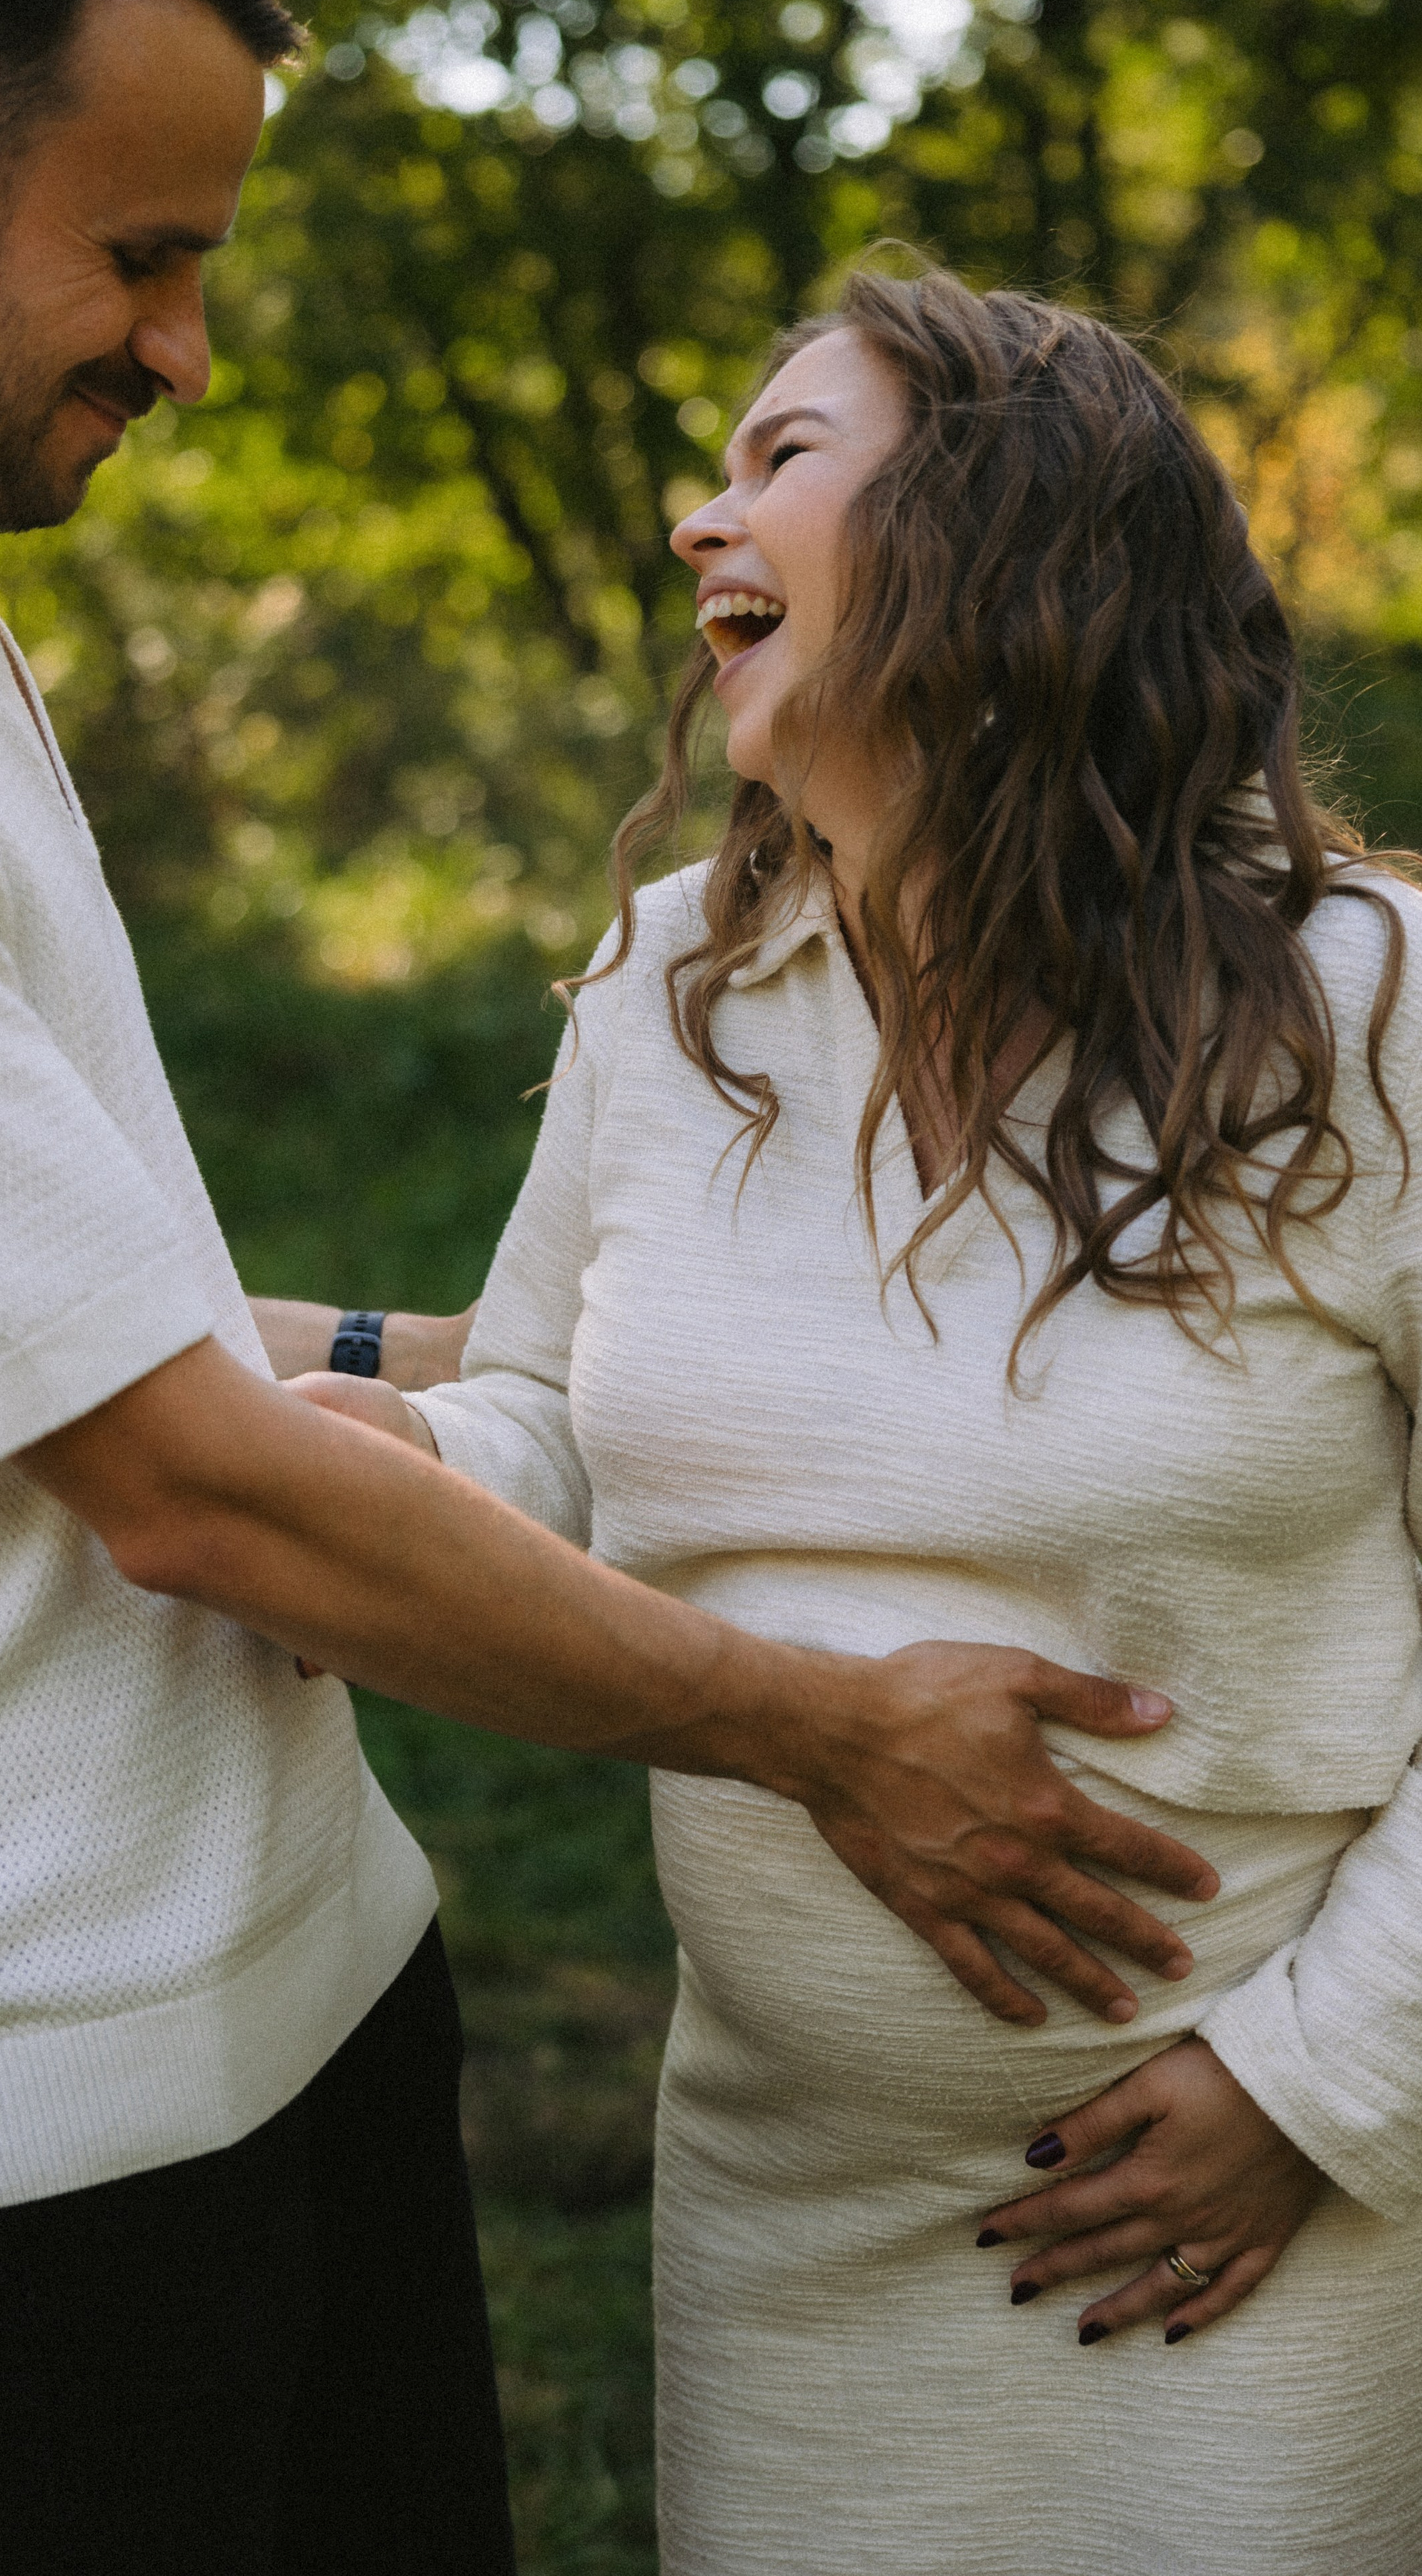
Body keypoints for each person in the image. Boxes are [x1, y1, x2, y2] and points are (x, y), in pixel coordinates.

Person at [0, 0, 1218, 2561]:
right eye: (142, 253)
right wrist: (829, 1738)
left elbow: (92, 1321)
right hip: (55, 2115)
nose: (191, 350)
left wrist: (461, 1361)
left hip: (299, 1977)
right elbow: (179, 1487)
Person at [309, 269, 1422, 2573]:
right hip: (785, 2210)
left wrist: (1318, 2091)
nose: (696, 514)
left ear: (1009, 528)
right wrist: (270, 1467)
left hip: (1252, 2207)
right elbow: (541, 1414)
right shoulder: (666, 984)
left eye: (776, 455)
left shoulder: (1369, 1015)